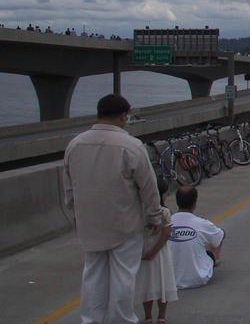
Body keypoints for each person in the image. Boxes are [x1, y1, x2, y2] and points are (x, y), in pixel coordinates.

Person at [63, 94, 162, 324]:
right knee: (123, 276)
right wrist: (154, 215)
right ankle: (122, 319)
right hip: (124, 223)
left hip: (90, 223)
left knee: (93, 274)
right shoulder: (131, 146)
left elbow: (69, 187)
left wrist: (76, 213)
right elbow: (148, 187)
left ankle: (91, 319)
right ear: (122, 116)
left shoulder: (75, 144)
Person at [136, 177, 178, 324]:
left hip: (144, 251)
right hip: (160, 253)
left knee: (146, 284)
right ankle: (161, 316)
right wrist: (155, 251)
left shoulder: (140, 212)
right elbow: (166, 234)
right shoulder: (164, 212)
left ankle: (147, 316)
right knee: (163, 284)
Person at [169, 187, 224, 289]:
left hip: (171, 281)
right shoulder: (202, 223)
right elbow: (220, 235)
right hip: (199, 278)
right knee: (217, 235)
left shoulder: (167, 222)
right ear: (194, 204)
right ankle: (214, 259)